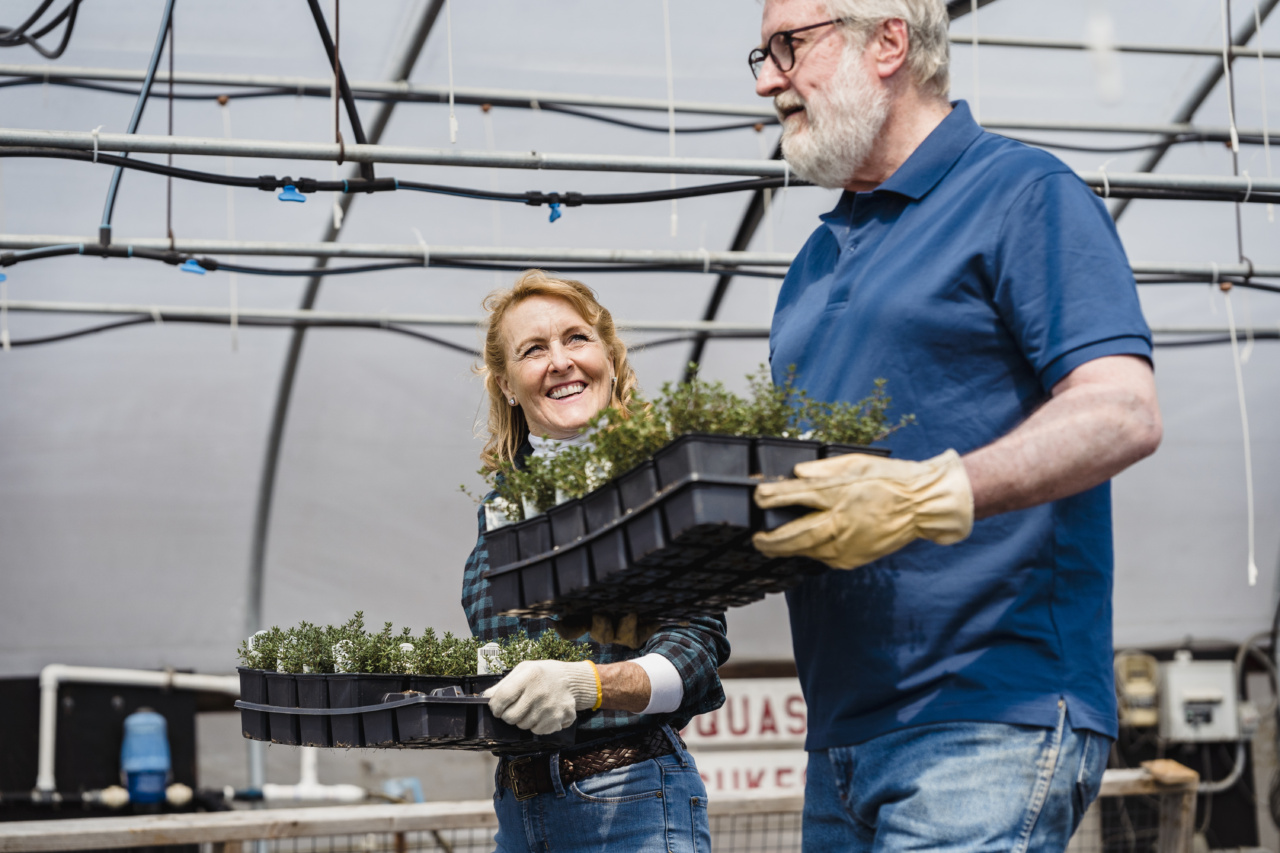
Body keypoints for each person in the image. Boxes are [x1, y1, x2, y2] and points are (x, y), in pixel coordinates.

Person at [746, 1, 1162, 850]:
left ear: (889, 41)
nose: (767, 80)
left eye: (789, 46)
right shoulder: (814, 263)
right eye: (760, 54)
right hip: (841, 737)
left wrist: (931, 493)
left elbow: (1123, 407)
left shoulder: (1019, 191)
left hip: (988, 711)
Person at [461, 269, 730, 853]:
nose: (559, 361)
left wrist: (589, 685)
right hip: (519, 809)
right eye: (533, 350)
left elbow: (696, 655)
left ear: (609, 358)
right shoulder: (502, 509)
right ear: (508, 384)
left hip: (630, 799)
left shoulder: (662, 487)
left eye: (576, 339)